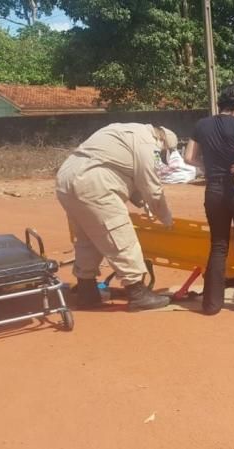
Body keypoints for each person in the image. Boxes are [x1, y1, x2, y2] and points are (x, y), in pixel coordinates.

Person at [55, 123, 176, 310]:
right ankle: (137, 293)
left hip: (66, 178)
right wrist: (166, 217)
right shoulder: (149, 145)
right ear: (163, 142)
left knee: (88, 237)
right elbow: (153, 189)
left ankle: (87, 292)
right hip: (93, 183)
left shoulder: (125, 130)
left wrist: (141, 202)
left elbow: (122, 170)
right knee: (119, 234)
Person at [184, 78, 234, 315]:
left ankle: (211, 304)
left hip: (215, 190)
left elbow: (189, 157)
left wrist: (207, 166)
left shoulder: (202, 125)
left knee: (218, 245)